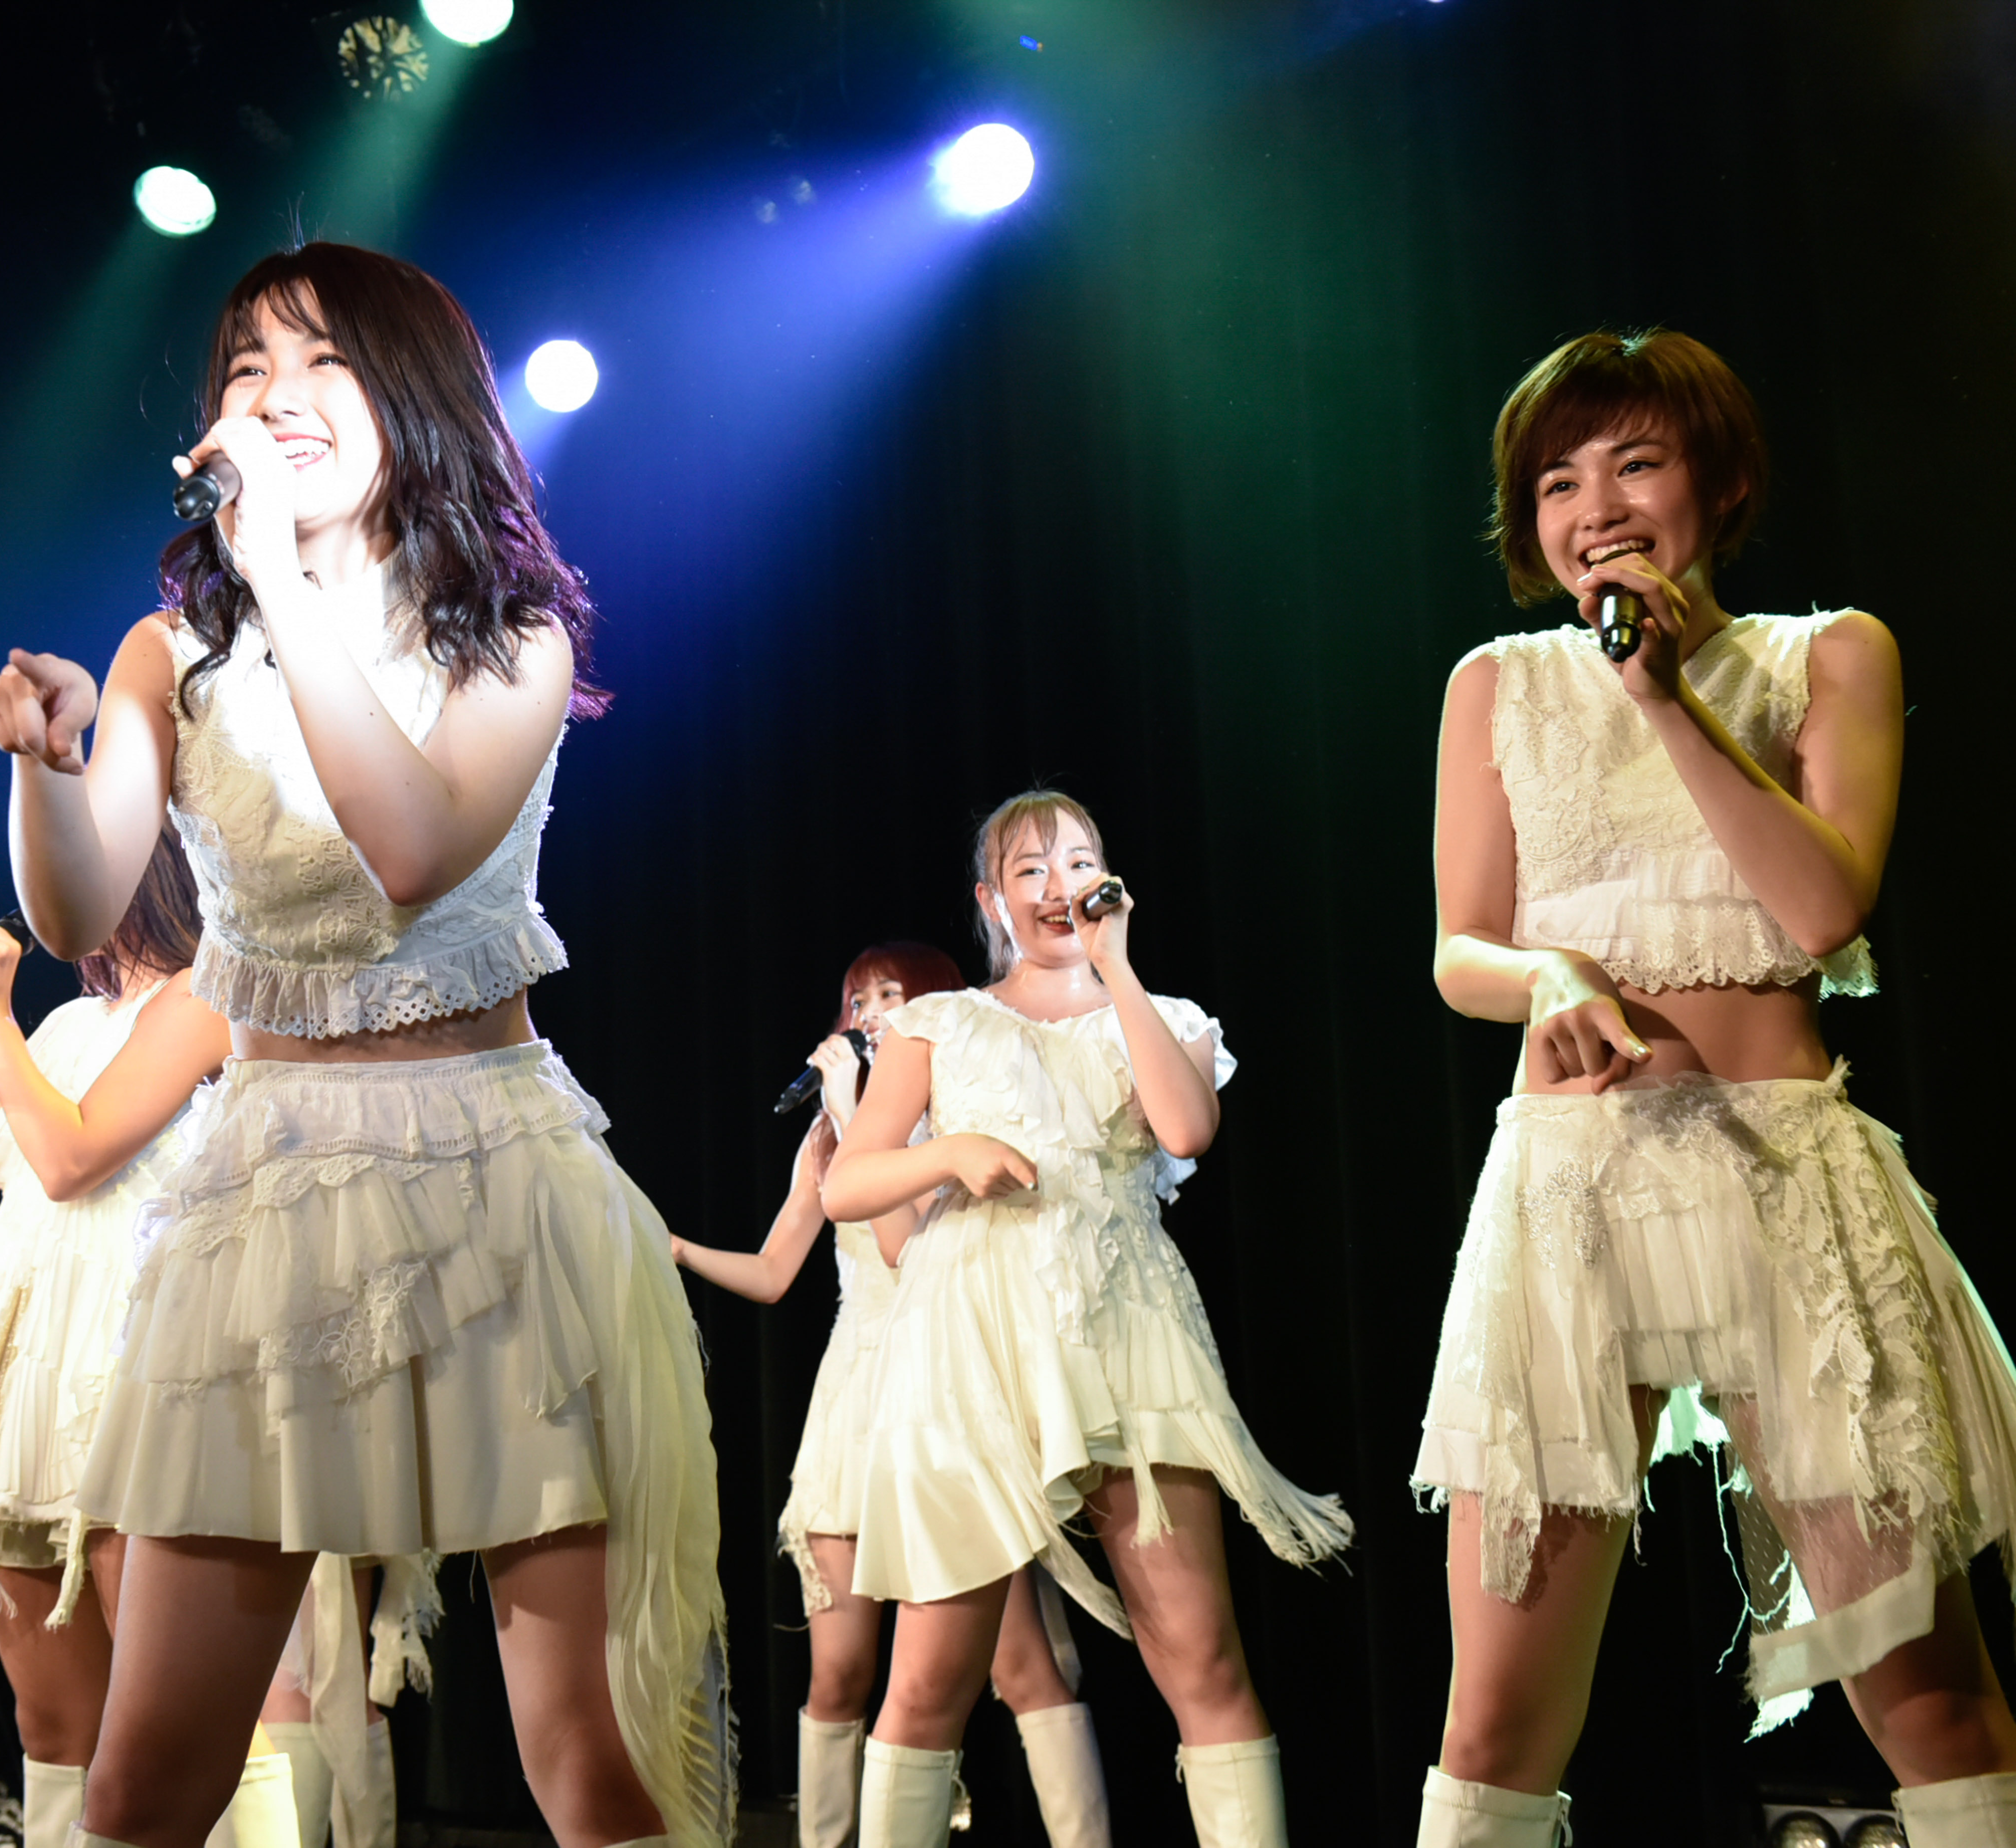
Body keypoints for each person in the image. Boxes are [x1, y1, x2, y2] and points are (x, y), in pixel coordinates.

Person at [0, 240, 728, 1848]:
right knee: (143, 1781)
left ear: (414, 396)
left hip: (494, 1179)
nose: (278, 396)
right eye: (248, 368)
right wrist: (44, 766)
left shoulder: (512, 637)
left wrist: (283, 583)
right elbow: (78, 906)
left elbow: (412, 848)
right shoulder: (170, 656)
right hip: (267, 1189)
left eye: (322, 362)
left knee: (585, 1761)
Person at [1414, 327, 2016, 1845]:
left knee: (1927, 1694)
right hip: (1573, 1188)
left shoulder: (1830, 655)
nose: (1595, 506)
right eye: (1558, 482)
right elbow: (1459, 948)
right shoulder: (1496, 684)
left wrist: (1667, 697)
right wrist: (1546, 977)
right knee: (1493, 1720)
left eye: (1635, 462)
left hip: (1783, 1176)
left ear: (1719, 483)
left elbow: (1821, 912)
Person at [0, 842, 359, 1848]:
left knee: (177, 1724)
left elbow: (72, 1157)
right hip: (34, 1376)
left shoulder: (206, 993)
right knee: (51, 1725)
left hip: (139, 1367)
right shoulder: (65, 1026)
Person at [822, 794, 1350, 1848]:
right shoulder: (942, 1022)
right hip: (969, 1343)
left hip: (1126, 1330)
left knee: (1201, 1656)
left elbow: (1187, 1130)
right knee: (928, 1678)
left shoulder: (1167, 1016)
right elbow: (849, 1184)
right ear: (992, 901)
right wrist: (947, 1154)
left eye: (1075, 861)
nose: (1057, 885)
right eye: (1029, 870)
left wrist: (1117, 968)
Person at [673, 943, 1112, 1848]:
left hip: (943, 1393)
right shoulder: (827, 1143)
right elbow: (772, 1272)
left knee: (1021, 1666)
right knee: (838, 1674)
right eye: (857, 999)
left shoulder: (957, 1112)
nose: (870, 1012)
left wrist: (852, 1112)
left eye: (889, 994)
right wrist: (674, 1249)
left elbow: (905, 1249)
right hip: (852, 1407)